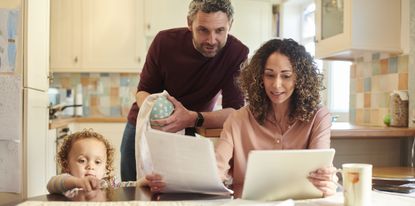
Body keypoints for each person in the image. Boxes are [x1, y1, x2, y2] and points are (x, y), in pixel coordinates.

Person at [147, 38, 338, 197]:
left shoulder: (318, 117)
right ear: (259, 78)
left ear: (300, 79)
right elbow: (215, 171)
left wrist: (329, 181)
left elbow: (321, 170)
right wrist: (172, 180)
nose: (276, 85)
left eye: (286, 76)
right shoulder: (238, 120)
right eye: (269, 75)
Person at [121, 0, 249, 181]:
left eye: (220, 30)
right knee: (133, 190)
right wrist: (159, 116)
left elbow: (234, 112)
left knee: (180, 192)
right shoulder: (164, 42)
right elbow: (143, 92)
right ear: (190, 23)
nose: (212, 40)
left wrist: (191, 118)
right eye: (203, 30)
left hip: (190, 127)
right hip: (145, 126)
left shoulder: (237, 53)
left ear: (230, 25)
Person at [47, 129, 116, 194]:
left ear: (106, 167)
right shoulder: (69, 186)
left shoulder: (106, 184)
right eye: (82, 161)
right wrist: (77, 182)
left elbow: (125, 187)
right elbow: (51, 184)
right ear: (66, 165)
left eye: (97, 162)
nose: (91, 166)